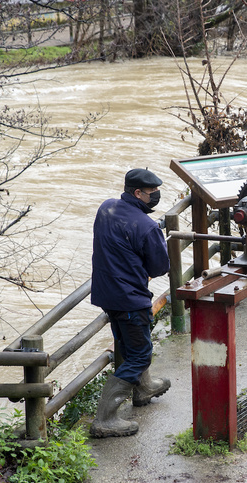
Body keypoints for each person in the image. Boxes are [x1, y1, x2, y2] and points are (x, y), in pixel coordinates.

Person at [89, 168, 171, 438]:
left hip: (106, 293)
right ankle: (105, 418)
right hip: (129, 298)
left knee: (128, 344)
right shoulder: (147, 227)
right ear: (138, 193)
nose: (156, 196)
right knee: (140, 353)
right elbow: (160, 267)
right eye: (152, 193)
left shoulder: (106, 208)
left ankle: (144, 388)